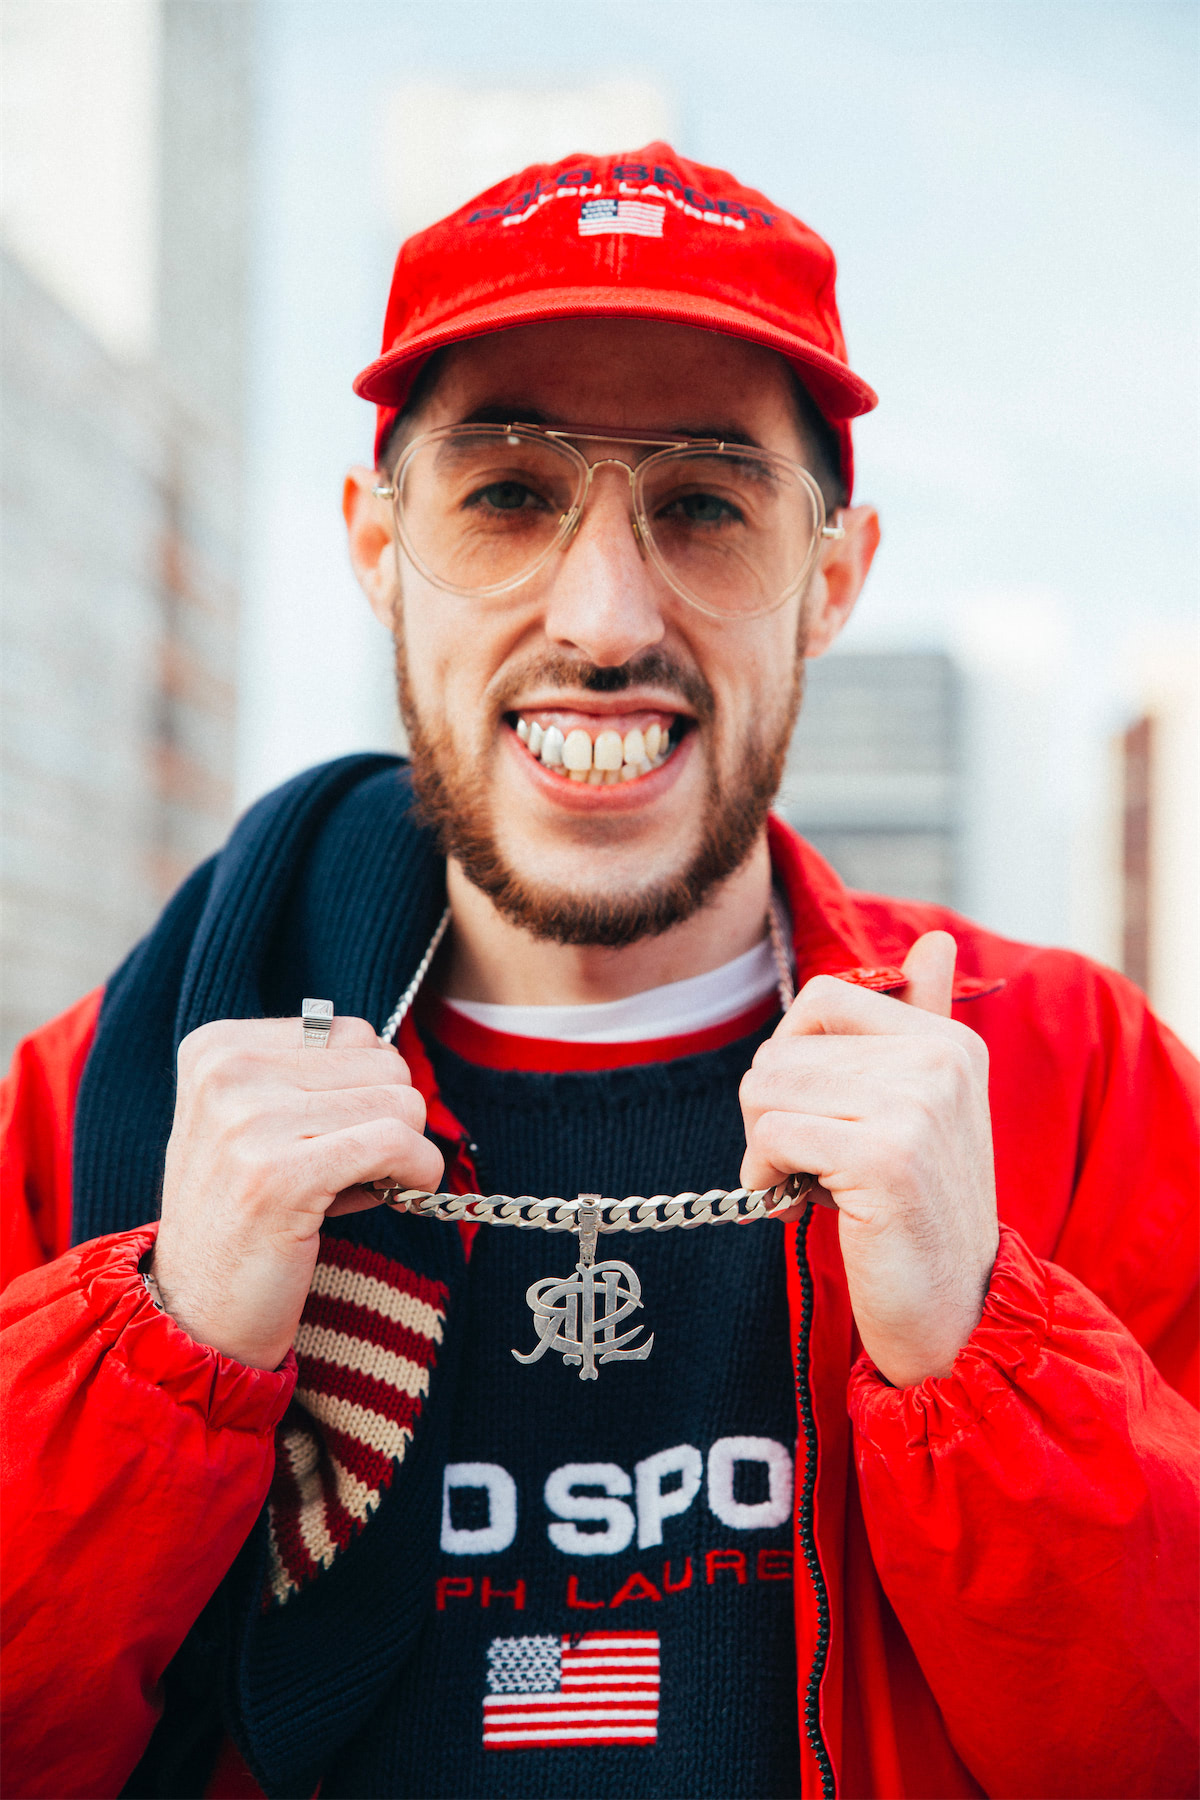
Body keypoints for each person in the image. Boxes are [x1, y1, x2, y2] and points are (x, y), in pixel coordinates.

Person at [2, 142, 1196, 1800]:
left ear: (834, 580)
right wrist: (164, 1345)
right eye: (506, 495)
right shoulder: (102, 1103)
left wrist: (989, 1357)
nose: (607, 613)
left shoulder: (1075, 1076)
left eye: (705, 505)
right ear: (375, 545)